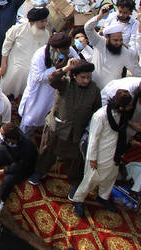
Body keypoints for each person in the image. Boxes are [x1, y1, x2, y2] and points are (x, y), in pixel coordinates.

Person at [31, 59, 101, 188]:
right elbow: (52, 80)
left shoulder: (94, 90)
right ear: (74, 76)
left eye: (88, 77)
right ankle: (40, 172)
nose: (86, 80)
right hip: (56, 127)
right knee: (47, 151)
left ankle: (75, 183)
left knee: (74, 159)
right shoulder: (65, 83)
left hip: (76, 131)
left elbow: (96, 111)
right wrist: (66, 68)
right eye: (83, 77)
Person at [68, 89, 134, 218]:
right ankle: (79, 200)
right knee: (90, 179)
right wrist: (92, 158)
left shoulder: (122, 114)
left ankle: (103, 197)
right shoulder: (100, 116)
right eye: (129, 105)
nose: (131, 107)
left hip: (115, 154)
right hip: (99, 154)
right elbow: (93, 138)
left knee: (110, 178)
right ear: (121, 106)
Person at [0, 5, 51, 99]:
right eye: (42, 21)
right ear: (32, 22)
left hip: (32, 71)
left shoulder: (46, 34)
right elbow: (6, 47)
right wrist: (3, 66)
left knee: (26, 95)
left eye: (45, 21)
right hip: (14, 68)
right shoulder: (17, 29)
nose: (45, 24)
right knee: (5, 93)